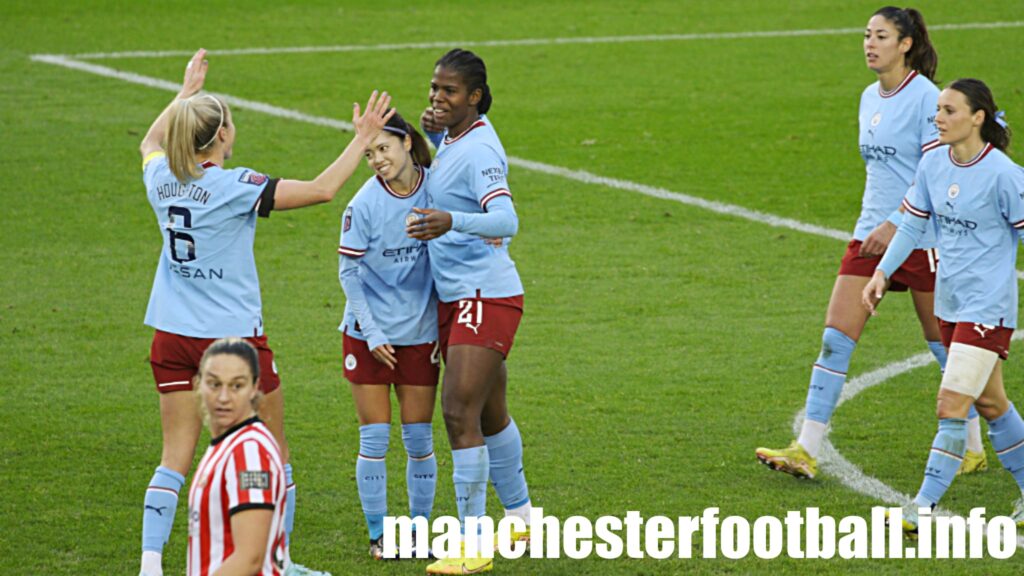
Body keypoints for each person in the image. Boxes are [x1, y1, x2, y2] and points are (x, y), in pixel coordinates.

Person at [138, 48, 394, 576]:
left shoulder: (159, 178)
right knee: (273, 452)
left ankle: (149, 566)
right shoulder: (234, 187)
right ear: (224, 137)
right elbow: (323, 190)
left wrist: (185, 96)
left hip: (170, 336)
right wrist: (363, 139)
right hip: (233, 345)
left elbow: (151, 141)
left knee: (174, 457)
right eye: (229, 122)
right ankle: (279, 562)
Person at [755, 6, 988, 479]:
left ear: (905, 43)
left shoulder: (928, 98)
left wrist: (897, 221)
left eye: (880, 36)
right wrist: (875, 225)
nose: (869, 44)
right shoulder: (868, 96)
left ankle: (973, 447)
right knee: (834, 341)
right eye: (866, 35)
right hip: (869, 236)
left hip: (921, 239)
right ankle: (806, 449)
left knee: (946, 348)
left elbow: (932, 172)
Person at [863, 79, 1024, 533]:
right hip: (950, 304)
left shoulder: (1005, 176)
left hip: (987, 307)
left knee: (951, 404)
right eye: (937, 109)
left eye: (949, 110)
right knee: (992, 404)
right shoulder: (934, 162)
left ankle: (921, 509)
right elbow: (912, 227)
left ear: (978, 118)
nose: (938, 117)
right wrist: (882, 272)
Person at [409, 48, 533, 574]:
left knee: (458, 414)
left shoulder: (482, 149)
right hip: (461, 295)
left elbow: (506, 220)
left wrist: (449, 221)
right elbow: (450, 164)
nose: (438, 97)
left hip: (485, 295)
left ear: (475, 97)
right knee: (487, 412)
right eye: (435, 88)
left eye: (450, 92)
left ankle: (473, 544)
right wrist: (431, 134)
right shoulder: (457, 137)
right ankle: (523, 517)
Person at [337, 111, 440, 559]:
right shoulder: (363, 205)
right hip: (368, 335)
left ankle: (418, 533)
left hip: (420, 333)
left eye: (383, 148)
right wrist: (373, 331)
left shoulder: (437, 188)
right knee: (375, 440)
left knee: (419, 440)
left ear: (406, 142)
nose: (377, 160)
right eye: (368, 153)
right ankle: (380, 535)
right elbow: (349, 272)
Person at [187, 338, 288, 575]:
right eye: (214, 384)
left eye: (236, 386)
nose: (223, 397)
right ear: (198, 384)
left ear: (254, 387)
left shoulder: (249, 452)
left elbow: (250, 558)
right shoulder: (229, 443)